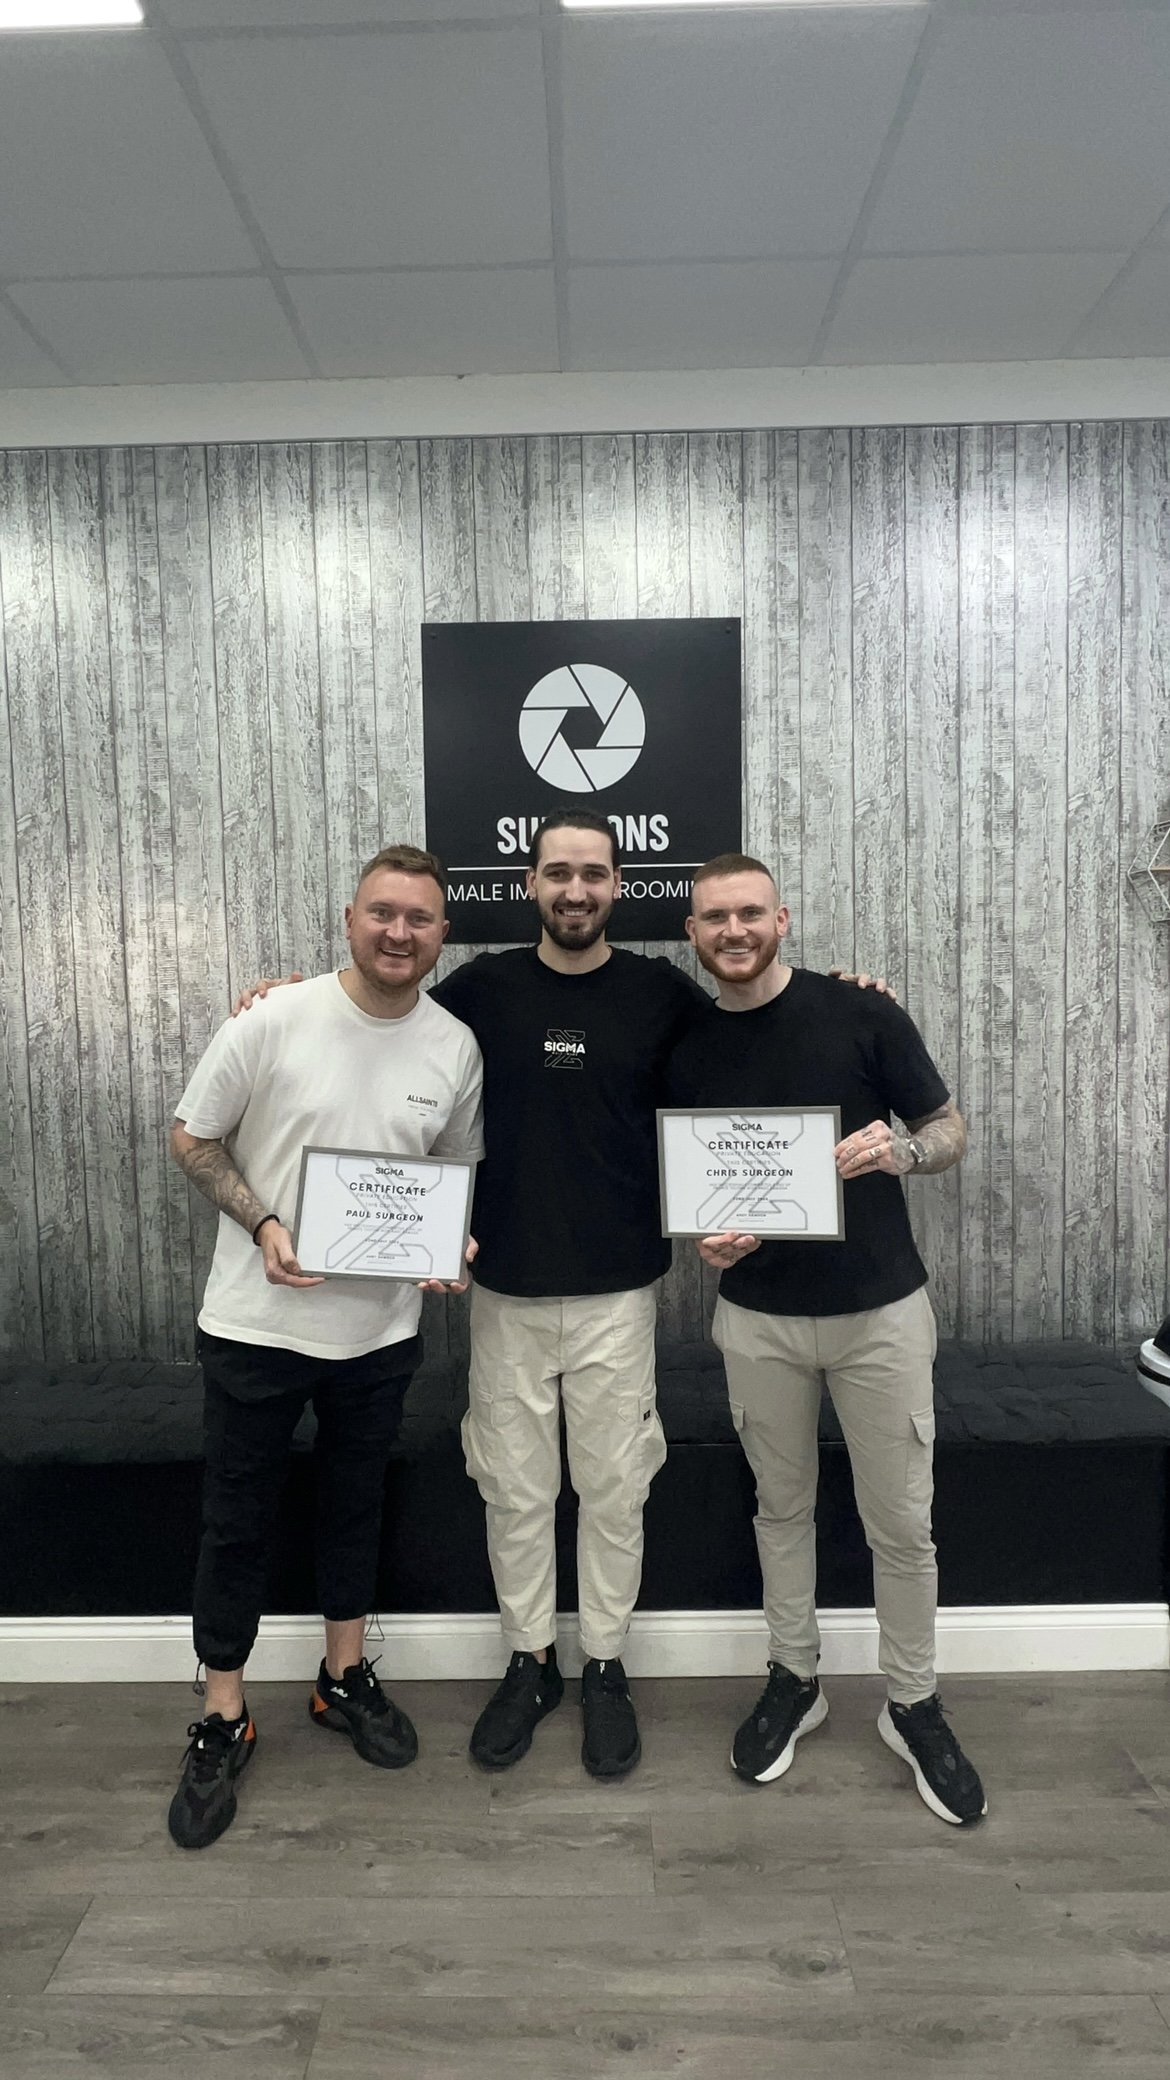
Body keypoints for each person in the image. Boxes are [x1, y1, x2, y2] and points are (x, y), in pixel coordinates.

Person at [166, 845, 483, 1850]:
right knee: (236, 1521)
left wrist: (452, 1242)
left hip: (382, 1331)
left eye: (420, 918)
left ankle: (342, 1678)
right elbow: (191, 1137)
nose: (399, 932)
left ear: (442, 935)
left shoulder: (454, 1046)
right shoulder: (274, 1018)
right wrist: (263, 1221)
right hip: (255, 1326)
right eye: (383, 913)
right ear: (350, 918)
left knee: (356, 1508)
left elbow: (453, 1175)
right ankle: (223, 1714)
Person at [666, 852, 986, 1827]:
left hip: (881, 1313)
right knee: (781, 1509)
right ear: (692, 932)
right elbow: (685, 1173)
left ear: (782, 917)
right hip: (757, 1318)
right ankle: (794, 1678)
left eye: (750, 912)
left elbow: (950, 1128)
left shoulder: (862, 1014)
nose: (733, 929)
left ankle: (913, 1700)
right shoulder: (682, 1041)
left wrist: (904, 1149)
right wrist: (701, 1235)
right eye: (715, 916)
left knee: (903, 1524)